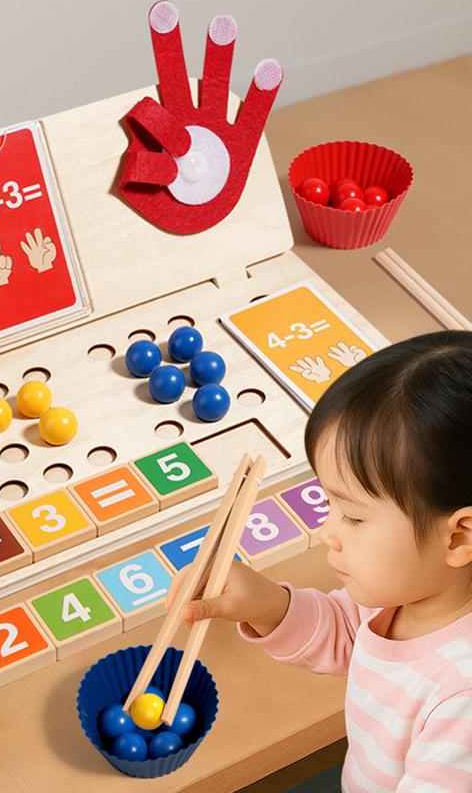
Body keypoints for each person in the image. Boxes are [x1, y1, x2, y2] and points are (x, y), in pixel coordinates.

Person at [166, 331, 472, 792]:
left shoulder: (461, 704)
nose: (328, 531)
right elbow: (354, 631)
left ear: (459, 537)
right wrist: (267, 605)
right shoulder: (411, 591)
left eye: (352, 514)